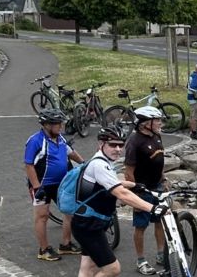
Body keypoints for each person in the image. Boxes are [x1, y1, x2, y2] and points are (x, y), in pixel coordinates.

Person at [72, 126, 169, 277]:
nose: (117, 149)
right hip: (89, 226)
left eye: (120, 145)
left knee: (87, 268)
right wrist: (152, 208)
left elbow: (110, 183)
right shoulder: (99, 165)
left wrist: (134, 184)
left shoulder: (103, 161)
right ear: (101, 144)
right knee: (112, 269)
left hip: (87, 222)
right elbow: (121, 194)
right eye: (112, 144)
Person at [24, 108, 84, 261]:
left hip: (61, 184)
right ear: (47, 125)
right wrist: (37, 187)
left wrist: (85, 164)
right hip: (41, 186)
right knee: (42, 217)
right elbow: (29, 165)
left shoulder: (60, 138)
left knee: (69, 212)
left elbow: (71, 152)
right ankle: (43, 250)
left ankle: (65, 244)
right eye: (57, 123)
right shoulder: (35, 141)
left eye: (61, 123)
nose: (61, 126)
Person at [123, 106, 167, 275]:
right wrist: (134, 196)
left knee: (160, 220)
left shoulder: (156, 136)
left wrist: (163, 179)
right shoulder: (134, 142)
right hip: (142, 191)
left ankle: (160, 254)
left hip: (158, 187)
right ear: (145, 123)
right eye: (156, 120)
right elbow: (128, 172)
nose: (159, 123)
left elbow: (159, 159)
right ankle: (141, 260)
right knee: (141, 226)